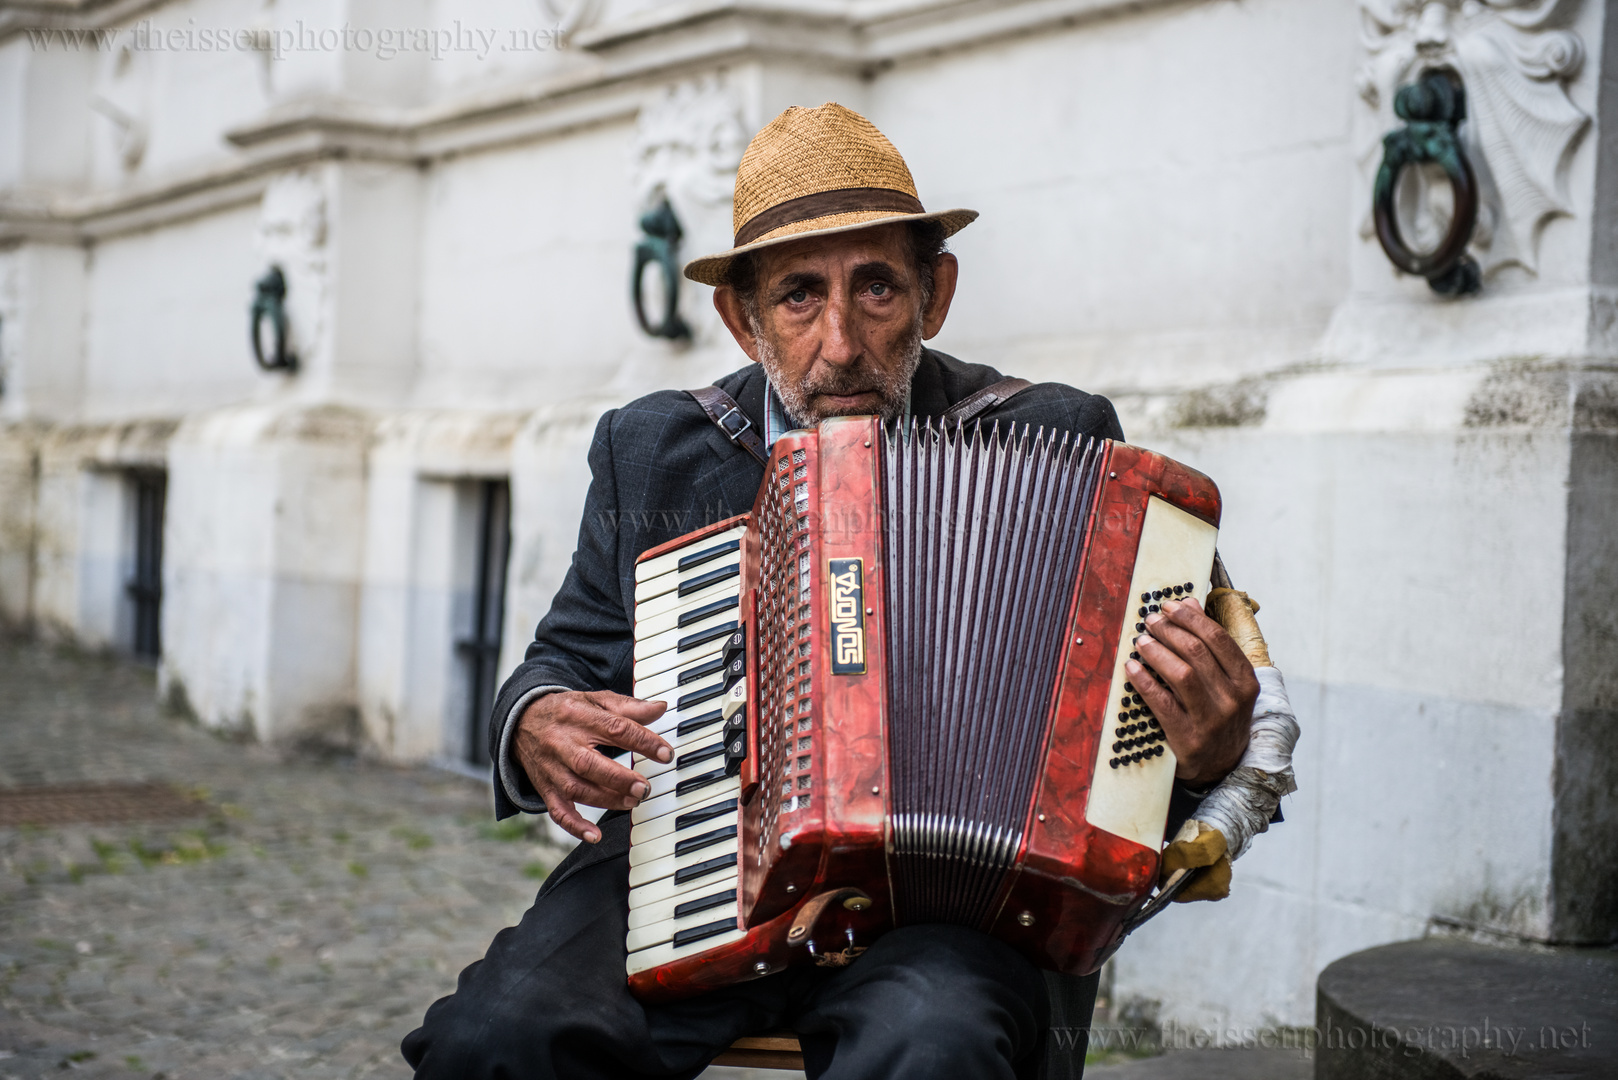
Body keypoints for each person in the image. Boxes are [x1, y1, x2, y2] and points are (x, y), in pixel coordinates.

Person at [403, 102, 1261, 1080]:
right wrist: (535, 720)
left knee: (931, 1047)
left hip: (952, 917)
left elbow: (1142, 744)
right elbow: (564, 660)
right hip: (693, 880)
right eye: (801, 296)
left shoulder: (1053, 439)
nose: (842, 343)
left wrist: (1206, 749)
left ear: (935, 296)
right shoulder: (655, 451)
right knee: (492, 1041)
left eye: (879, 289)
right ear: (743, 319)